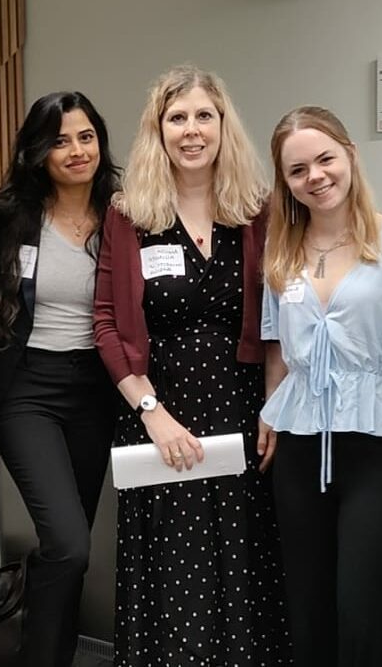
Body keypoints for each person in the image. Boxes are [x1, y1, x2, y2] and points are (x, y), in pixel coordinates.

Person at [93, 65, 290, 666]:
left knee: (244, 564)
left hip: (240, 411)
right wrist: (151, 412)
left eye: (205, 115)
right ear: (158, 131)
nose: (192, 130)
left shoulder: (256, 212)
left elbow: (279, 318)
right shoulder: (130, 215)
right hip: (160, 412)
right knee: (173, 570)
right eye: (177, 118)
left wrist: (274, 408)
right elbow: (105, 323)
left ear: (224, 125)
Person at [259, 106, 382, 666]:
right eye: (297, 170)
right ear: (286, 182)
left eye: (325, 159)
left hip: (376, 446)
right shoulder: (281, 249)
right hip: (299, 443)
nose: (315, 176)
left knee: (365, 609)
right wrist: (269, 411)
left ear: (351, 156)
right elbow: (277, 347)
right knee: (307, 606)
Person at [0, 91, 122, 667]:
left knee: (74, 550)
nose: (76, 150)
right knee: (66, 541)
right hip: (27, 389)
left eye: (85, 137)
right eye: (60, 140)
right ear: (38, 151)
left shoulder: (123, 211)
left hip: (96, 389)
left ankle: (48, 650)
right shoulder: (12, 216)